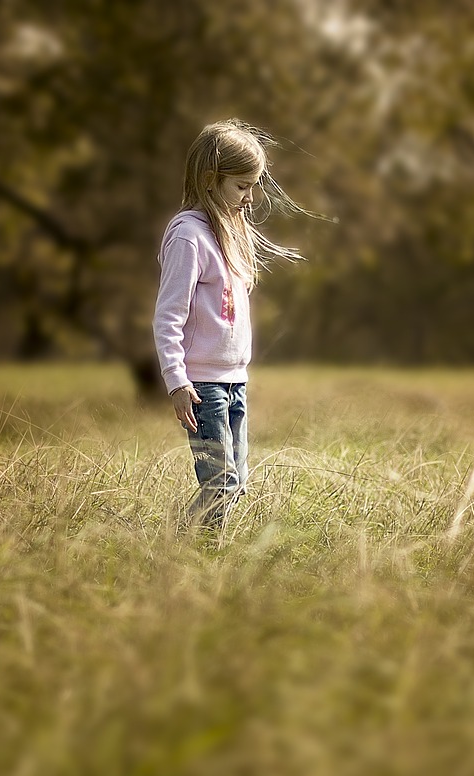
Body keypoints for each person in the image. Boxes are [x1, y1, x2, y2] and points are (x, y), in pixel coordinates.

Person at [152, 119, 307, 531]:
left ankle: (191, 544)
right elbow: (168, 315)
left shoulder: (229, 234)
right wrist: (176, 380)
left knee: (235, 484)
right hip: (202, 387)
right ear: (210, 180)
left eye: (253, 186)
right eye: (241, 187)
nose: (249, 198)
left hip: (234, 381)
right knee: (220, 483)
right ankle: (194, 550)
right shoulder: (188, 236)